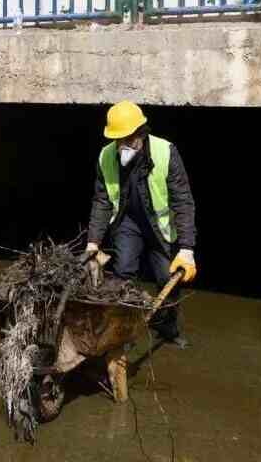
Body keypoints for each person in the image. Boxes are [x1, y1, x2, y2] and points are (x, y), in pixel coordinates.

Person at [86, 101, 197, 348]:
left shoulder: (165, 152)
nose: (122, 145)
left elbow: (183, 201)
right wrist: (93, 242)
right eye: (118, 140)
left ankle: (167, 328)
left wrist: (186, 248)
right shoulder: (106, 156)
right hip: (127, 222)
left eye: (128, 139)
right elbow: (102, 200)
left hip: (160, 224)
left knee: (167, 276)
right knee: (123, 273)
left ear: (141, 133)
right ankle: (123, 332)